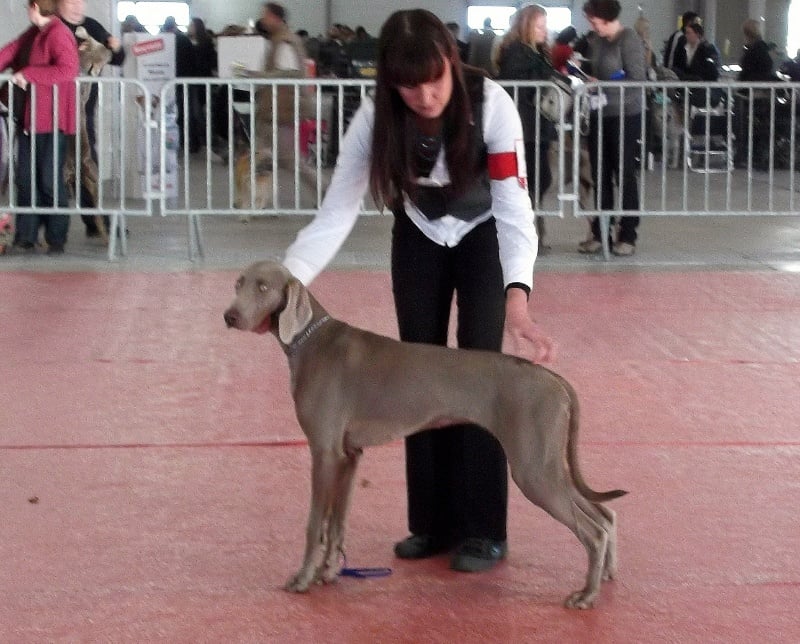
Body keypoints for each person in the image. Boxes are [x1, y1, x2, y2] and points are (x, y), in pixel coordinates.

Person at [281, 9, 553, 572]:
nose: (424, 96)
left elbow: (513, 208)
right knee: (412, 375)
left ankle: (484, 528)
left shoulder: (491, 104)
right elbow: (336, 212)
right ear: (390, 82)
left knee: (481, 374)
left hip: (482, 235)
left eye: (434, 80)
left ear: (452, 65)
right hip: (420, 234)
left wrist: (518, 296)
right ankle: (431, 522)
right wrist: (288, 283)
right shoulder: (375, 115)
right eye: (409, 86)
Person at [0, 0, 79, 255]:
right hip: (30, 119)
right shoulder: (36, 32)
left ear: (35, 6)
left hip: (50, 119)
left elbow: (68, 69)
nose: (27, 10)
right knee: (26, 179)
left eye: (28, 6)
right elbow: (11, 51)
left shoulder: (58, 34)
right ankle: (26, 235)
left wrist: (30, 74)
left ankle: (57, 237)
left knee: (48, 180)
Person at [578, 0, 646, 257]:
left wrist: (604, 83)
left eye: (593, 20)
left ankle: (628, 233)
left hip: (626, 114)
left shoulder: (628, 39)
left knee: (624, 173)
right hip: (600, 113)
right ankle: (600, 231)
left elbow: (637, 77)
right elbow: (595, 70)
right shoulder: (596, 41)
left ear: (605, 17)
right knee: (600, 174)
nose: (591, 25)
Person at [57, 0, 124, 238]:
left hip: (84, 111)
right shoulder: (53, 26)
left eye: (80, 1)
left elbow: (117, 58)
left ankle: (96, 221)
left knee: (86, 163)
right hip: (54, 109)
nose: (77, 6)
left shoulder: (92, 26)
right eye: (71, 1)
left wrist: (116, 47)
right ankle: (55, 228)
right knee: (58, 167)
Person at [494, 4, 557, 251]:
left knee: (538, 180)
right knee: (532, 181)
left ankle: (533, 233)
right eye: (539, 26)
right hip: (525, 128)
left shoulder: (535, 52)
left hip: (536, 127)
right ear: (527, 26)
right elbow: (519, 84)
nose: (544, 30)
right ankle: (525, 234)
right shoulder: (518, 52)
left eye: (545, 26)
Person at [670, 21, 721, 107]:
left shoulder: (707, 49)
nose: (686, 35)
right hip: (687, 84)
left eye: (689, 33)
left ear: (697, 34)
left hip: (700, 85)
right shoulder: (682, 49)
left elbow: (711, 70)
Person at [161, 17, 193, 152]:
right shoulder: (184, 39)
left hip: (170, 80)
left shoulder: (165, 40)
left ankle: (174, 141)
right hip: (185, 79)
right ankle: (188, 142)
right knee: (186, 112)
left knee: (172, 113)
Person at [186, 17, 217, 154]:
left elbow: (208, 63)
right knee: (197, 112)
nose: (189, 27)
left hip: (201, 81)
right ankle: (202, 140)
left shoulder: (205, 44)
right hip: (196, 81)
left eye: (191, 25)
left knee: (199, 113)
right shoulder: (192, 43)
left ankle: (206, 139)